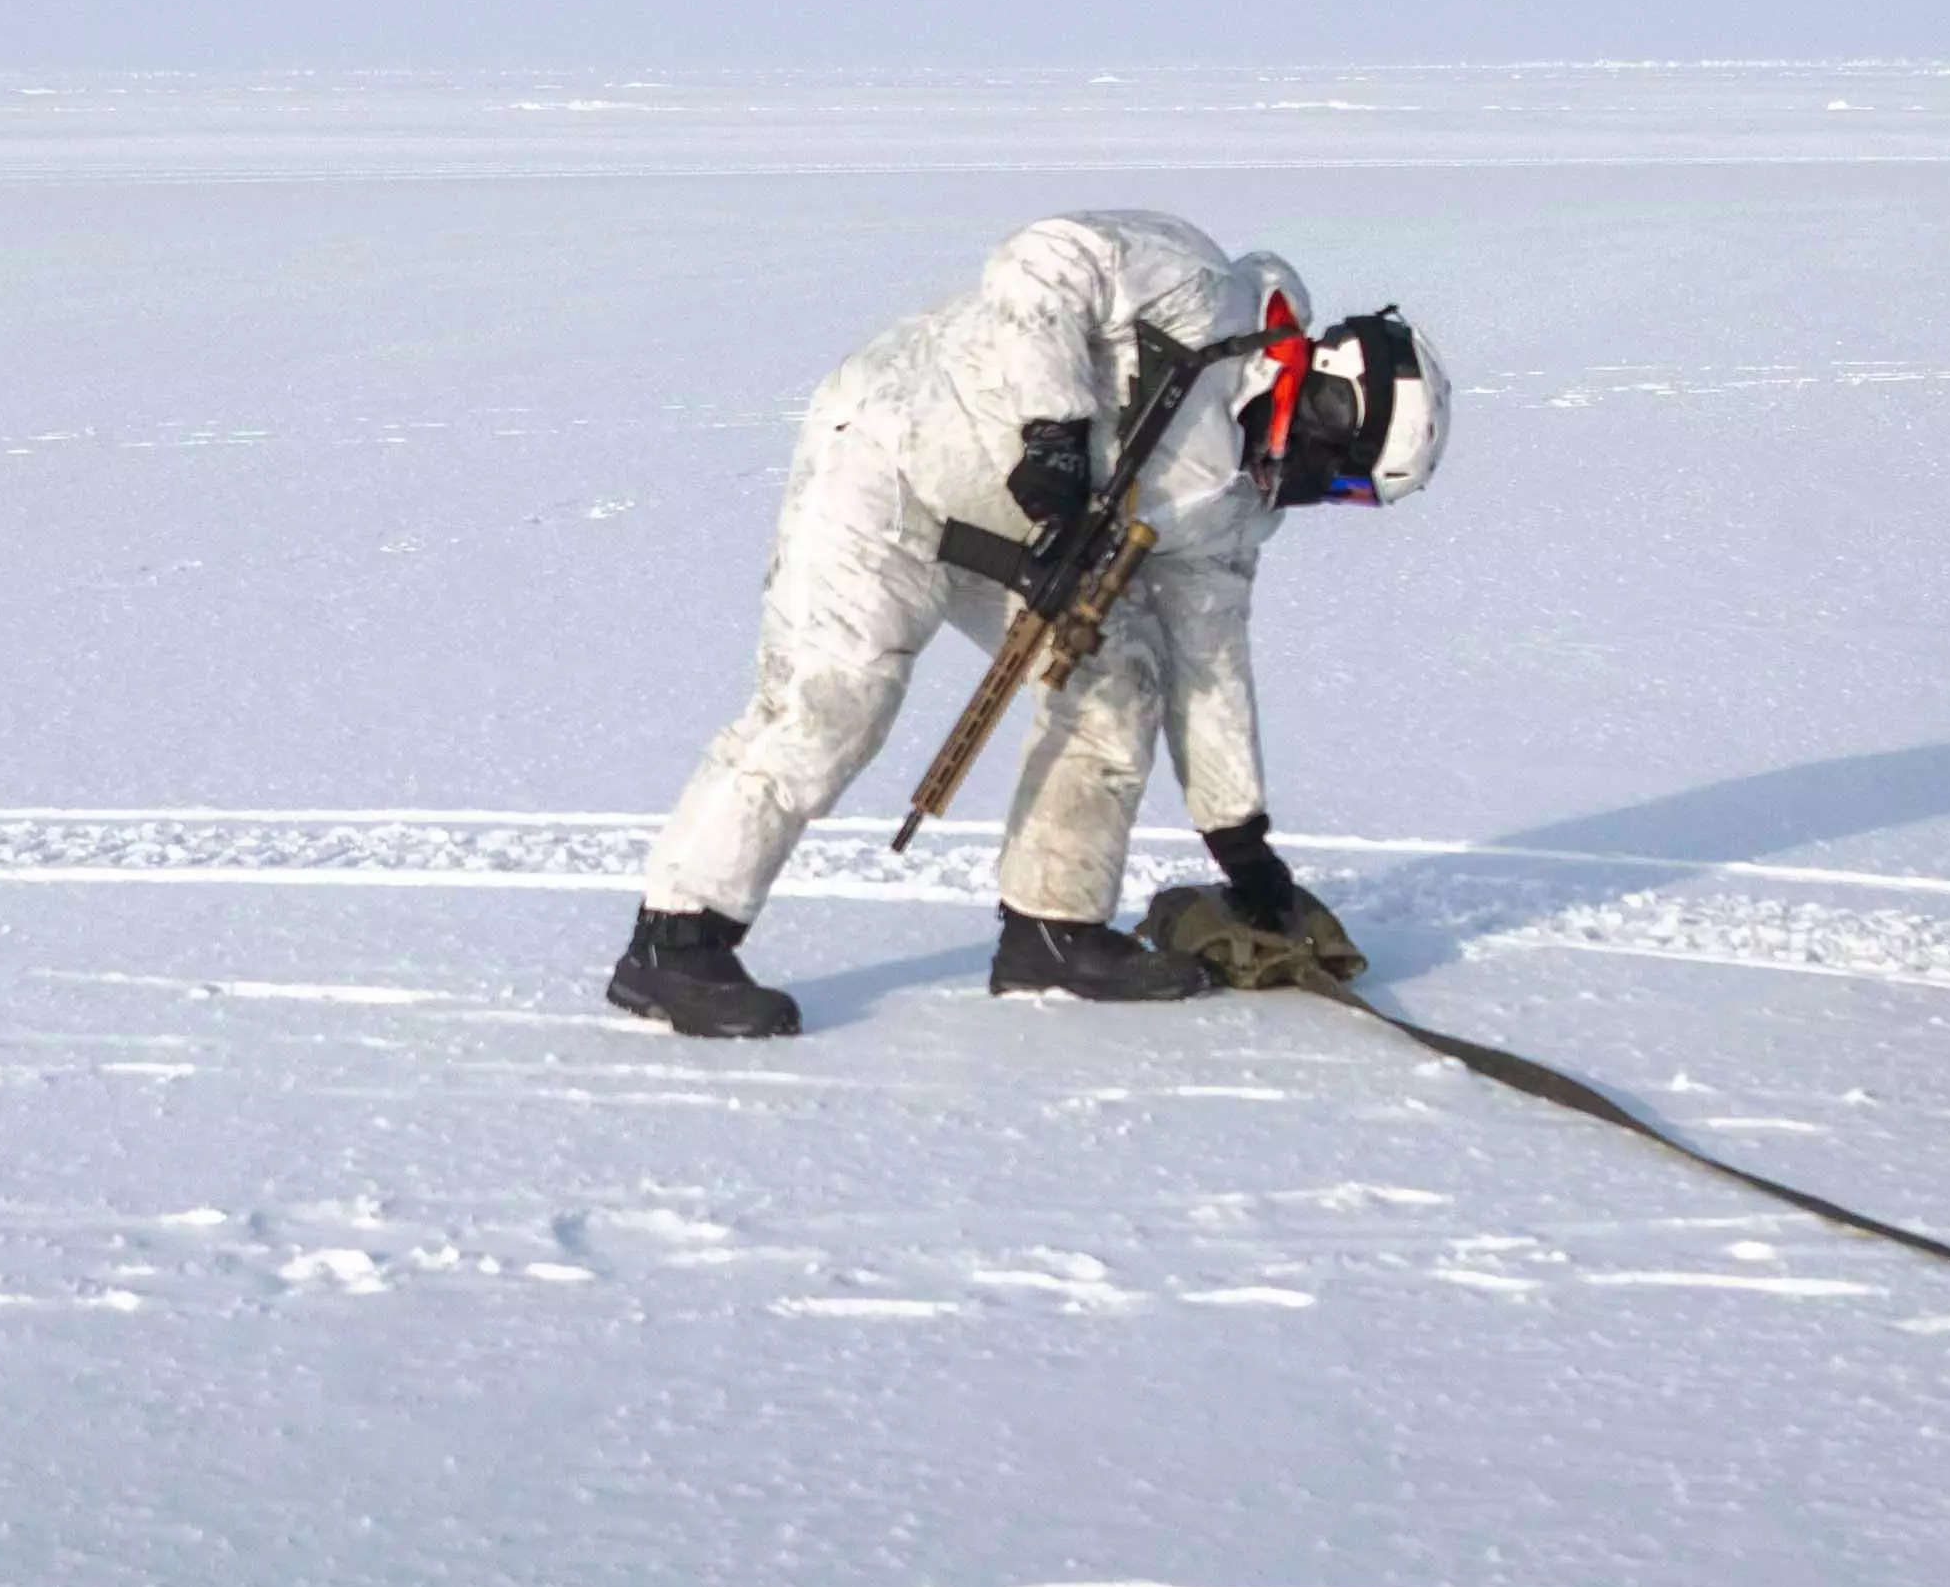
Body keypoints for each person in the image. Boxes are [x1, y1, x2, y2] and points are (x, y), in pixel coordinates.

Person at [610, 209, 1443, 1040]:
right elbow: (1041, 259)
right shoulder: (1199, 288)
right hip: (887, 461)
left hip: (1030, 535)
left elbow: (1210, 656)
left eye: (1353, 500)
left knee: (1120, 683)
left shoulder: (1232, 508)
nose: (1322, 498)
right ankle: (677, 941)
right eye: (1344, 482)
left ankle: (1053, 930)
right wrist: (1055, 431)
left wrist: (1240, 838)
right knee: (831, 703)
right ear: (1333, 406)